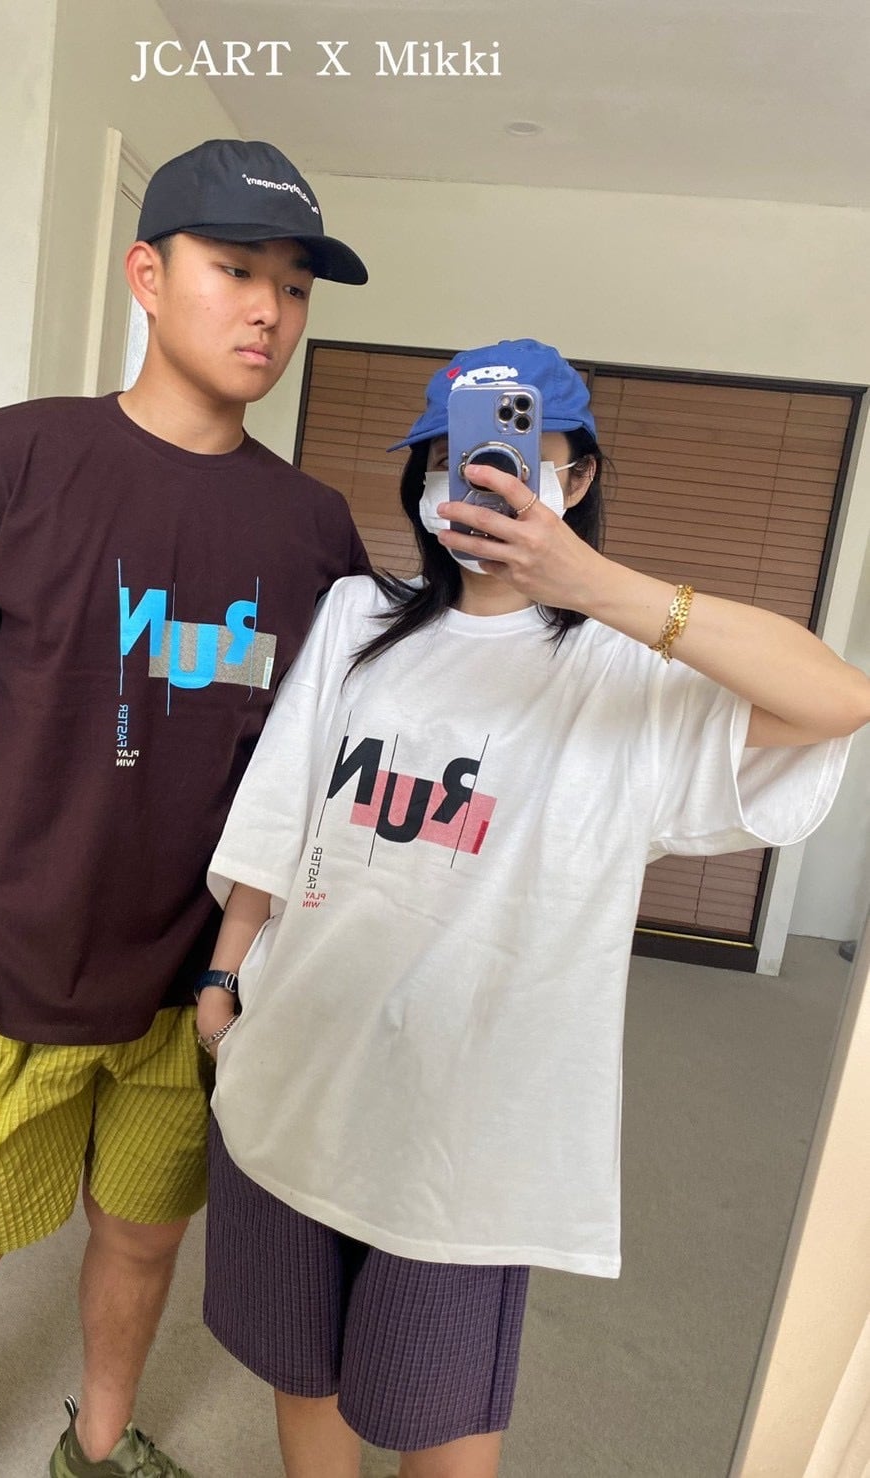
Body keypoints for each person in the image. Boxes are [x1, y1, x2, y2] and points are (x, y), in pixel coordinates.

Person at [193, 339, 870, 1478]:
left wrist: (590, 581)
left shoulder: (623, 671)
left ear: (577, 475)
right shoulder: (360, 617)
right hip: (299, 1058)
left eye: (508, 456)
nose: (471, 480)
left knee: (441, 1410)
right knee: (301, 1367)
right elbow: (279, 810)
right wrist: (223, 980)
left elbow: (838, 698)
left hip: (470, 1123)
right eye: (445, 458)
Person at [0, 138, 369, 1478]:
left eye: (294, 286)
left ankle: (97, 1447)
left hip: (188, 988)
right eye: (236, 270)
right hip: (1, 970)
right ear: (147, 275)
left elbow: (325, 762)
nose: (269, 311)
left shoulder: (312, 530)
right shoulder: (14, 459)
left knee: (143, 1237)